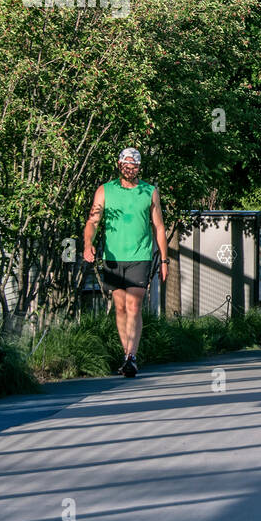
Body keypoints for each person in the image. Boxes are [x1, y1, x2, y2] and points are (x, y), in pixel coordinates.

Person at [83, 148, 168, 378]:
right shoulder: (105, 190)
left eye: (134, 166)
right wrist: (87, 243)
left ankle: (132, 356)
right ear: (119, 165)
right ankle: (125, 354)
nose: (129, 170)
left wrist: (164, 259)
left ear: (139, 168)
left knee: (134, 306)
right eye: (126, 166)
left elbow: (159, 227)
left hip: (140, 256)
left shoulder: (149, 191)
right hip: (113, 257)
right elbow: (93, 220)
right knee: (120, 307)